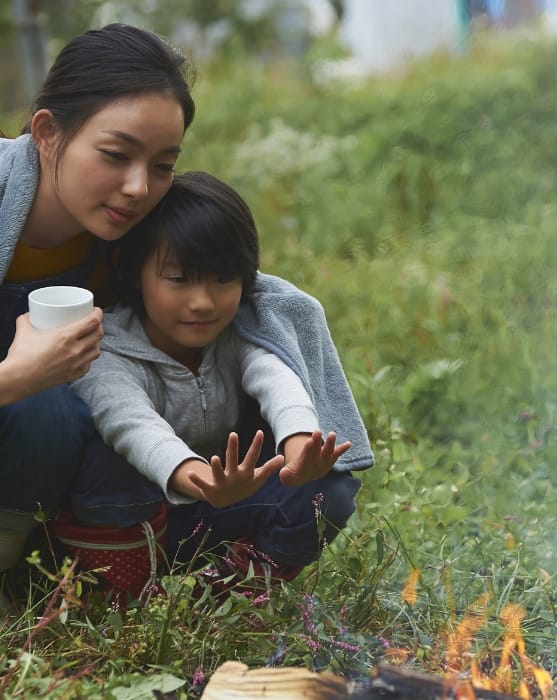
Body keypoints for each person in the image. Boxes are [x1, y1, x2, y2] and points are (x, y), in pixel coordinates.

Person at [65, 172, 373, 602]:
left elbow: (277, 377)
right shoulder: (108, 347)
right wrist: (201, 479)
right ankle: (117, 599)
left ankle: (232, 594)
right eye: (179, 279)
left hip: (218, 504)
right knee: (107, 463)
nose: (203, 302)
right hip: (131, 522)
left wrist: (300, 442)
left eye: (222, 280)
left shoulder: (239, 332)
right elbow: (131, 425)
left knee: (331, 491)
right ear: (137, 274)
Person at [0, 23, 195, 574]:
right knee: (46, 401)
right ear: (46, 132)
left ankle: (41, 568)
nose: (138, 188)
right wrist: (16, 378)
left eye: (162, 165)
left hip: (39, 479)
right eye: (115, 154)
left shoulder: (138, 244)